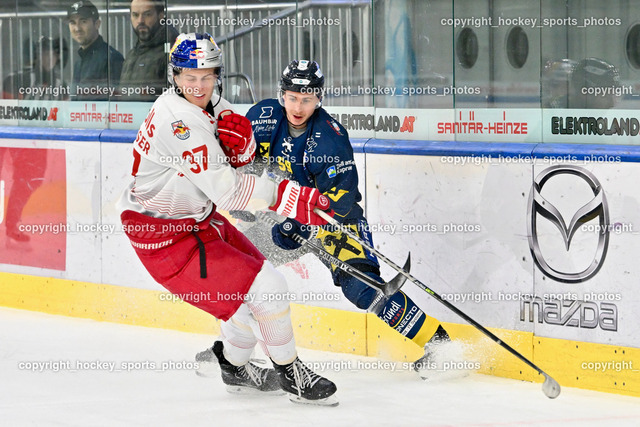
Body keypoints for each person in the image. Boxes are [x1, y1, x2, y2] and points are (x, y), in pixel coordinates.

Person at [117, 33, 338, 406]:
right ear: (175, 75)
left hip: (194, 221)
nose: (199, 85)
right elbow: (231, 193)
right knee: (269, 288)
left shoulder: (202, 100)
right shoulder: (179, 121)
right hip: (164, 239)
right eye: (190, 76)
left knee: (248, 296)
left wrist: (244, 146)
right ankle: (293, 376)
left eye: (207, 75)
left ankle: (234, 368)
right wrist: (295, 198)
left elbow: (240, 145)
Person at [244, 60, 450, 377]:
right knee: (240, 270)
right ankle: (237, 355)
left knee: (362, 289)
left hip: (335, 224)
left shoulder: (329, 139)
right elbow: (240, 160)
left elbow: (338, 202)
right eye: (293, 97)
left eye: (308, 98)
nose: (299, 106)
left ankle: (439, 345)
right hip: (285, 217)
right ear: (281, 94)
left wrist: (300, 222)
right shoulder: (263, 117)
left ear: (319, 99)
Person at [119, 0, 178, 101]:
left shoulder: (172, 52)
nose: (140, 20)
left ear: (160, 16)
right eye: (135, 15)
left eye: (147, 14)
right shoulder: (132, 54)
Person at [67, 0, 124, 100]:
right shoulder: (79, 61)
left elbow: (116, 105)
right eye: (72, 22)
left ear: (97, 24)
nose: (77, 28)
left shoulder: (111, 58)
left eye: (83, 21)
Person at [2, 36, 68, 100]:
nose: (50, 58)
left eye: (54, 54)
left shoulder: (61, 85)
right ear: (38, 55)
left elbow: (64, 110)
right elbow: (10, 107)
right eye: (46, 54)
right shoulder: (16, 80)